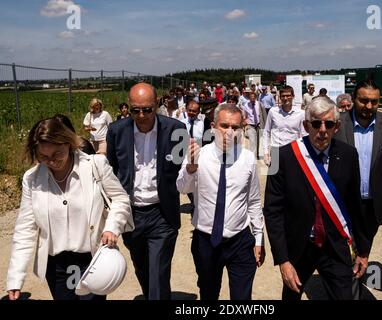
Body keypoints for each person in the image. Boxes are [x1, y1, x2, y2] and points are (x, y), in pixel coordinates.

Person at [7, 118, 132, 300]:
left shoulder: (95, 165)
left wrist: (112, 227)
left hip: (93, 261)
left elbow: (120, 199)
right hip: (56, 267)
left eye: (57, 154)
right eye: (44, 157)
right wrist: (15, 277)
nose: (52, 161)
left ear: (68, 143)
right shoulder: (32, 179)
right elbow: (25, 229)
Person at [264, 97, 370, 300]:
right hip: (298, 246)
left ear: (336, 127)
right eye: (316, 123)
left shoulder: (349, 155)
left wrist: (363, 251)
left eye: (328, 124)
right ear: (306, 125)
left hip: (334, 245)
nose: (322, 129)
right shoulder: (281, 156)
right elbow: (272, 211)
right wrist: (283, 260)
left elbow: (355, 205)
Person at [176, 103, 265, 300]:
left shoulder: (248, 159)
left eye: (235, 127)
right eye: (224, 126)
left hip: (240, 240)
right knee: (208, 294)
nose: (229, 132)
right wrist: (190, 168)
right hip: (206, 240)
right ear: (213, 127)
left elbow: (253, 201)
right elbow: (182, 188)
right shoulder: (198, 155)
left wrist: (259, 238)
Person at [106, 83, 186, 300]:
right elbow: (112, 169)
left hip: (162, 213)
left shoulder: (177, 130)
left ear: (157, 104)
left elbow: (182, 172)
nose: (141, 115)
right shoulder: (116, 131)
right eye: (135, 110)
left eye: (147, 110)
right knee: (142, 267)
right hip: (131, 214)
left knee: (158, 271)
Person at [335, 79, 382, 297]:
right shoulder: (337, 124)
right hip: (343, 204)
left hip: (374, 206)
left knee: (362, 249)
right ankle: (350, 292)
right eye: (364, 101)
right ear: (353, 99)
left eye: (374, 102)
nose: (368, 106)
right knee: (349, 251)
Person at [263, 85, 306, 166]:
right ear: (280, 97)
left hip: (293, 151)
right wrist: (265, 153)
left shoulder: (301, 113)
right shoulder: (273, 111)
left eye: (288, 95)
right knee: (273, 177)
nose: (285, 98)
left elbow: (304, 135)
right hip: (276, 150)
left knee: (292, 178)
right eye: (283, 96)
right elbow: (266, 132)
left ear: (293, 96)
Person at [242, 92, 267, 159]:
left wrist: (265, 125)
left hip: (259, 125)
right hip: (250, 126)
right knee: (252, 142)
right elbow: (244, 116)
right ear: (249, 98)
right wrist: (245, 121)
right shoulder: (246, 106)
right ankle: (253, 158)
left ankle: (258, 155)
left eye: (253, 97)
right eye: (251, 97)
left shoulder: (259, 104)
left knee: (259, 141)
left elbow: (264, 114)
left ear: (255, 97)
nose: (252, 98)